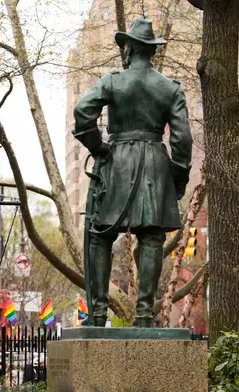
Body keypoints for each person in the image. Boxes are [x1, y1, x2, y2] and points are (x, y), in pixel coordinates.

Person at [73, 18, 193, 327]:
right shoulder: (170, 89)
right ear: (150, 51)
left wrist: (98, 148)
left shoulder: (113, 82)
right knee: (151, 238)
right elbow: (182, 140)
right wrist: (177, 182)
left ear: (129, 49)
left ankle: (97, 314)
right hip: (155, 162)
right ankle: (143, 315)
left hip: (118, 161)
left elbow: (82, 112)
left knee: (100, 236)